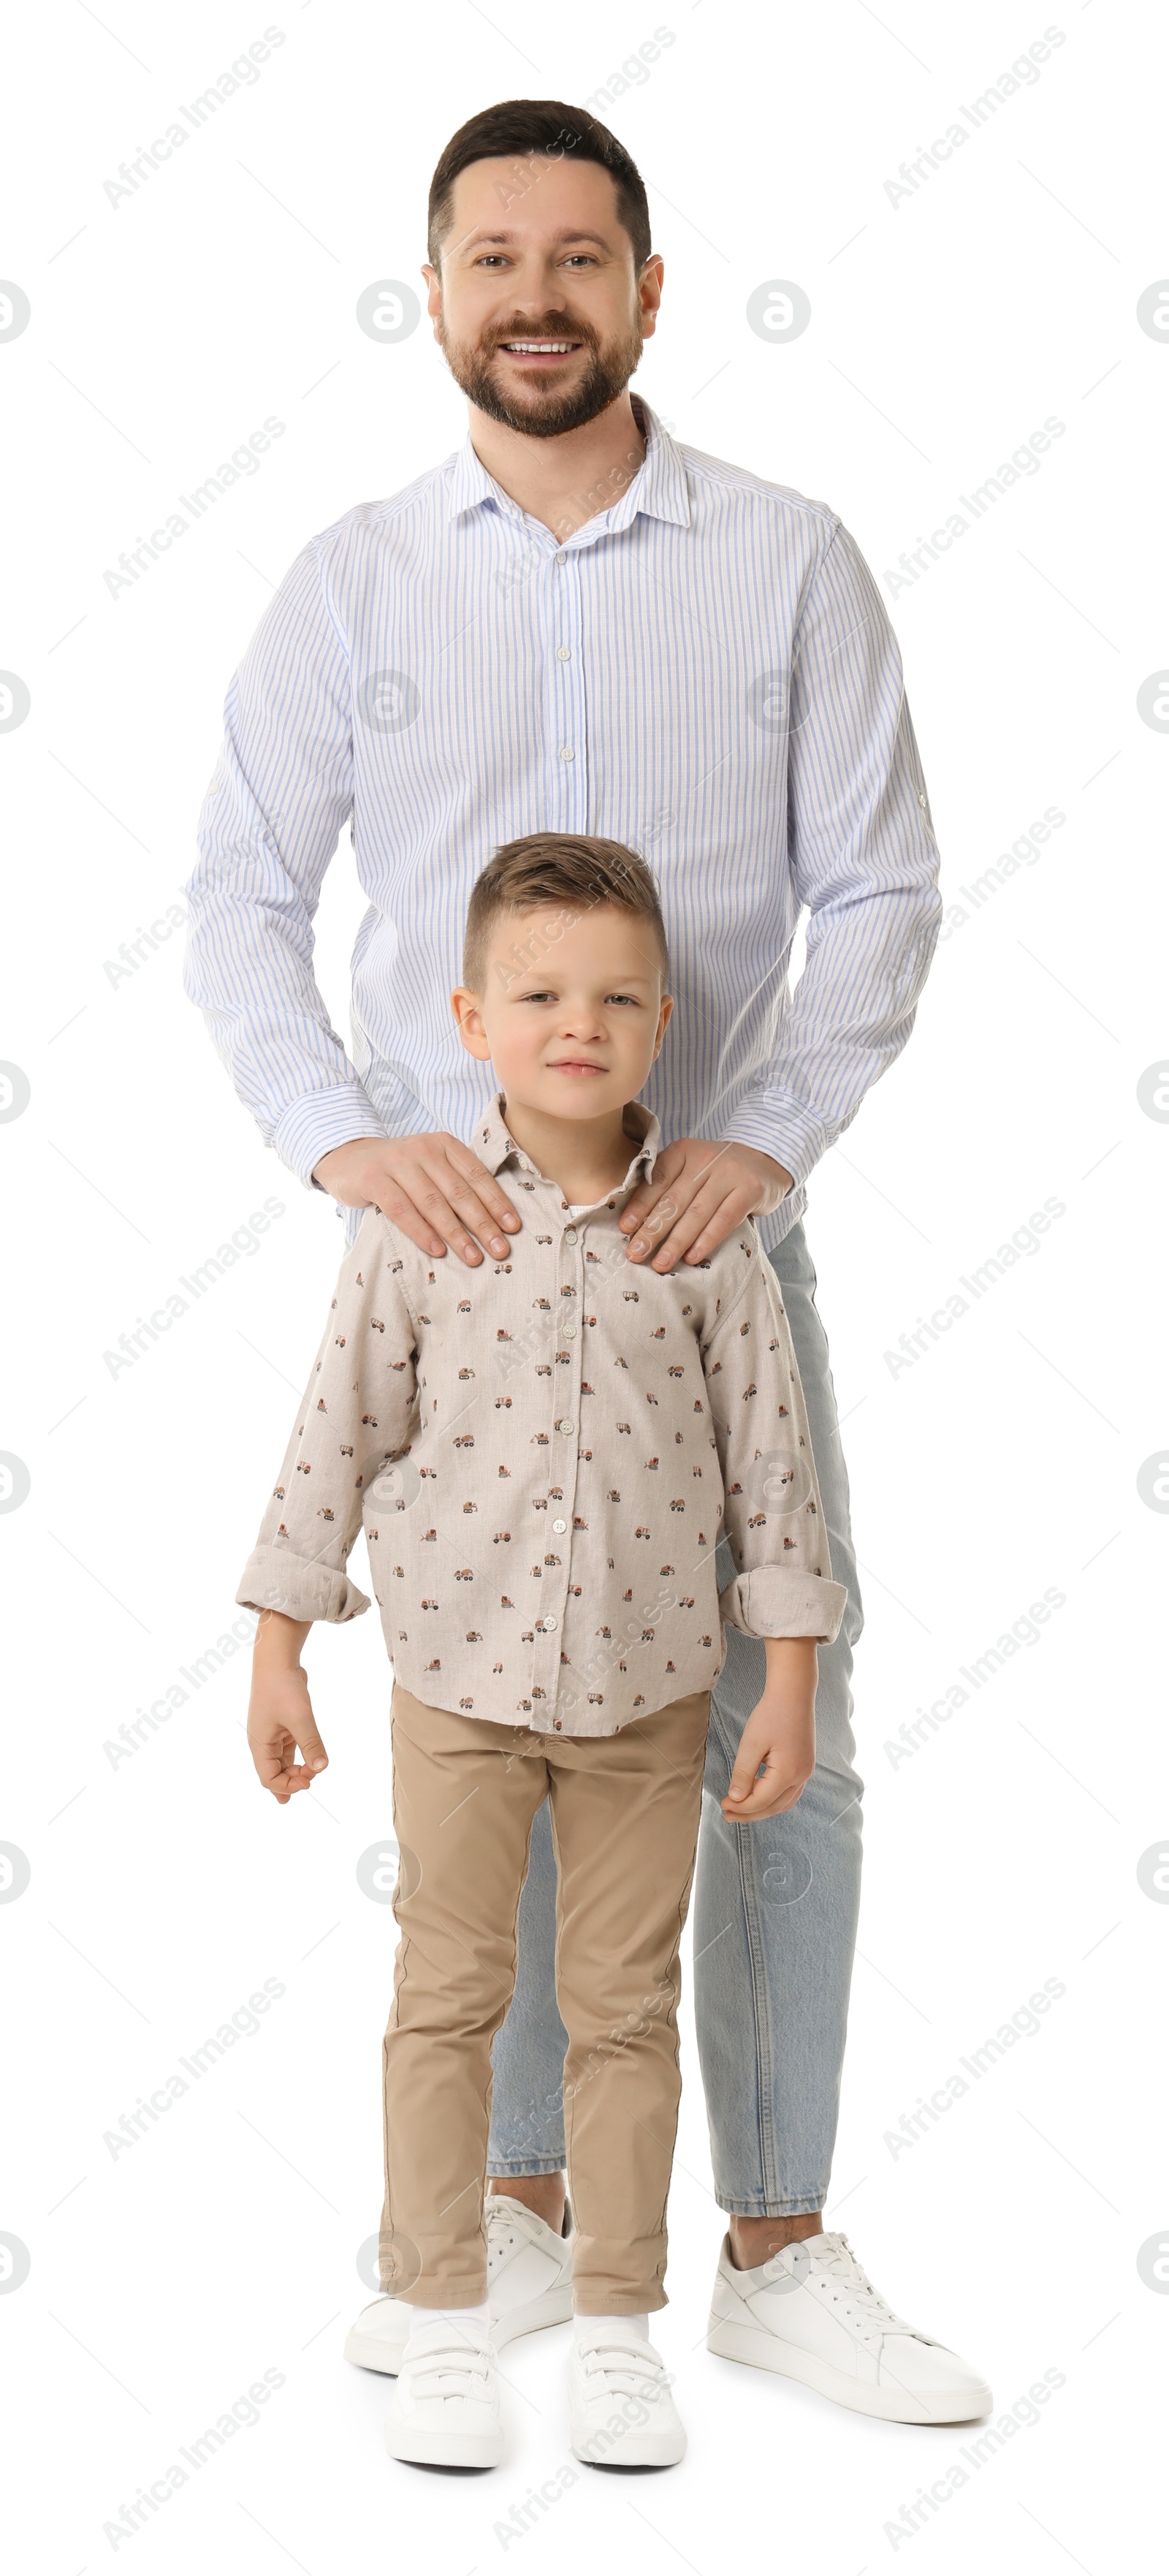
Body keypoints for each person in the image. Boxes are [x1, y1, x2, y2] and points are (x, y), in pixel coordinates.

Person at [186, 97, 992, 2426]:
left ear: (649, 287)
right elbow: (239, 891)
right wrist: (346, 1140)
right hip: (443, 1276)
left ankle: (777, 2240)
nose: (534, 293)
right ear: (435, 294)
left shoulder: (790, 558)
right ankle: (523, 2216)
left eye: (580, 255)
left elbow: (891, 886)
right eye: (489, 257)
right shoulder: (355, 579)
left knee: (769, 1729)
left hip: (694, 1252)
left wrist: (758, 1132)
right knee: (494, 1727)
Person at [237, 832, 849, 2468]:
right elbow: (331, 1435)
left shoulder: (708, 1249)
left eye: (612, 996)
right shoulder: (421, 1225)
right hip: (451, 1684)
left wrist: (784, 1676)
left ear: (659, 1022)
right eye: (536, 993)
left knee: (620, 2008)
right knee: (441, 1995)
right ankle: (441, 2314)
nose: (573, 1023)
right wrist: (278, 1645)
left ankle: (614, 2328)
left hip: (649, 1700)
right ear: (469, 1012)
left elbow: (774, 1482)